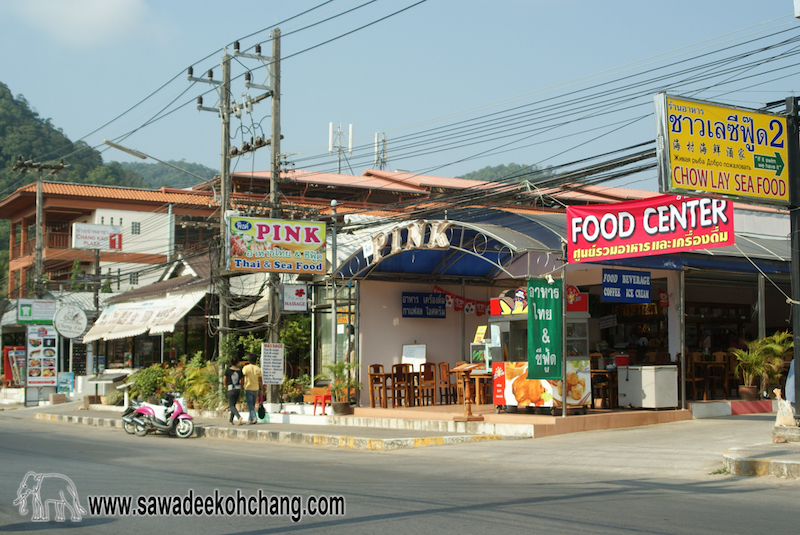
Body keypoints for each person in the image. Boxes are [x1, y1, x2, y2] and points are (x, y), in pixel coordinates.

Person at [242, 353, 263, 424]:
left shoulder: (246, 368)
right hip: (256, 388)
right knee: (252, 404)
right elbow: (260, 380)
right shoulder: (258, 368)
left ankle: (254, 417)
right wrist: (262, 389)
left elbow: (242, 377)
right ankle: (250, 419)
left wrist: (241, 385)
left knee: (250, 404)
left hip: (248, 387)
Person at [223, 360, 244, 426]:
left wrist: (226, 387)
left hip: (231, 388)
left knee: (231, 405)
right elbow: (242, 380)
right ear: (237, 363)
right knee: (233, 404)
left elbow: (224, 380)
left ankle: (239, 417)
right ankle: (230, 421)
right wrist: (241, 387)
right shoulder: (239, 371)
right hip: (237, 388)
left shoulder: (228, 370)